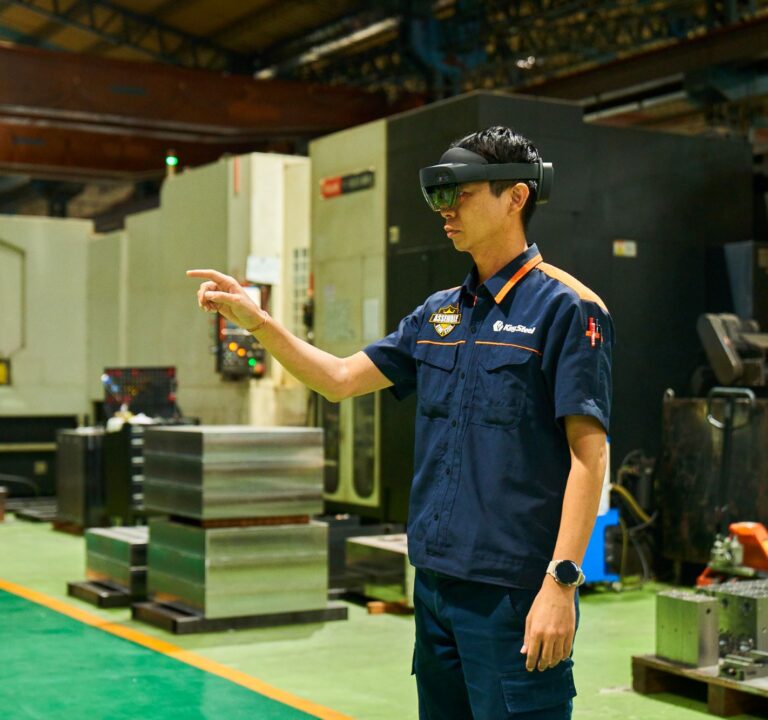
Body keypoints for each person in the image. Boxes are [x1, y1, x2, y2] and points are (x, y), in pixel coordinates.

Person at [188, 125, 612, 720]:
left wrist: (562, 583)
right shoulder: (437, 314)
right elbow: (337, 379)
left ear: (515, 197)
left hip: (512, 592)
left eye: (459, 194)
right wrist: (258, 322)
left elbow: (587, 456)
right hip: (436, 583)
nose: (445, 210)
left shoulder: (567, 310)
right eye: (438, 197)